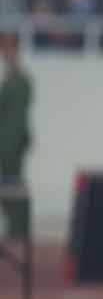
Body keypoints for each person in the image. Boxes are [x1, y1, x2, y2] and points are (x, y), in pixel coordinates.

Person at [0, 33, 33, 239]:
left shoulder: (20, 81)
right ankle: (15, 225)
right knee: (8, 184)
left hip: (12, 141)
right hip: (8, 139)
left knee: (13, 184)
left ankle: (19, 227)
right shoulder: (13, 79)